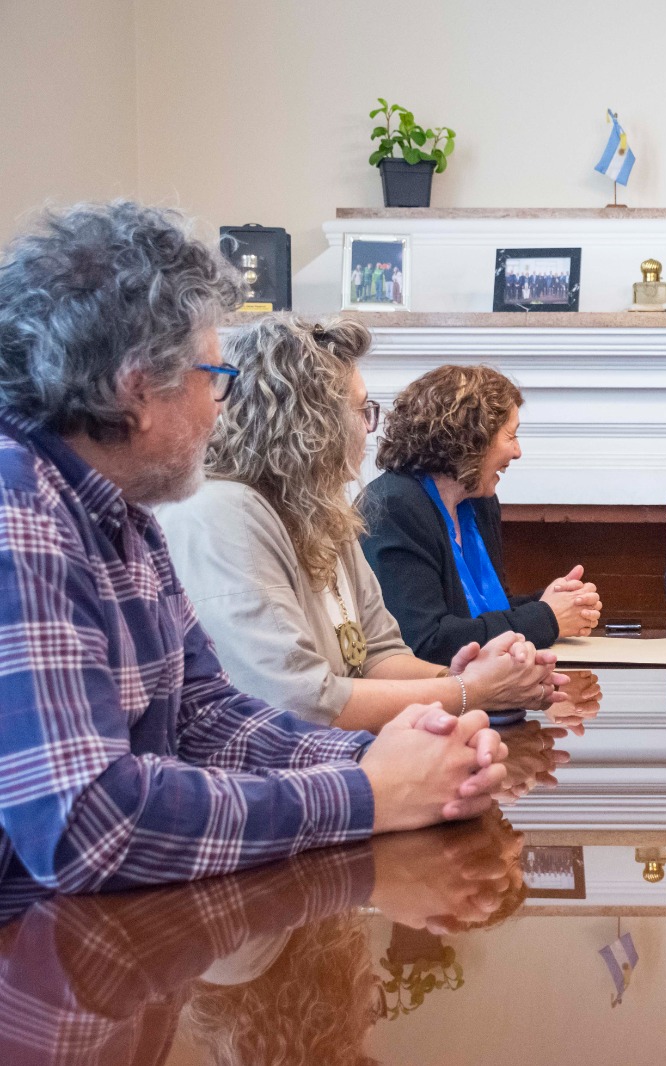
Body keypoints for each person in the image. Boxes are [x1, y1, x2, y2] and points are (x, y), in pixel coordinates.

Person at [0, 201, 506, 899]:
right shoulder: (20, 511)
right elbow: (88, 826)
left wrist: (398, 756)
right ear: (137, 388)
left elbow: (204, 716)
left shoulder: (123, 515)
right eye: (215, 378)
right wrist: (366, 792)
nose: (222, 411)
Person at [157, 315, 567, 732]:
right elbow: (299, 702)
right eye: (361, 410)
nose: (369, 429)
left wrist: (471, 679)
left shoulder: (320, 507)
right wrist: (469, 691)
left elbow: (380, 654)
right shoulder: (225, 512)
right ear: (310, 423)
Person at [359, 364, 601, 664]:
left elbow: (484, 613)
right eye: (510, 436)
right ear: (471, 439)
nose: (517, 452)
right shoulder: (394, 508)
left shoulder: (478, 503)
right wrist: (546, 617)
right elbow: (425, 642)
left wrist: (554, 601)